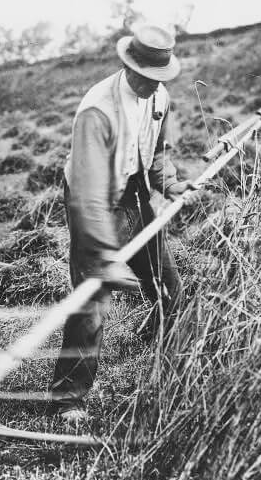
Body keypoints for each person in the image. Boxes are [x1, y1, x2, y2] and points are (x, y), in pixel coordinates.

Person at [51, 24, 196, 425]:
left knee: (168, 286)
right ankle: (68, 398)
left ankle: (162, 357)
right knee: (92, 301)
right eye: (148, 77)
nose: (154, 84)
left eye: (160, 78)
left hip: (135, 190)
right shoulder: (98, 111)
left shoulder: (159, 97)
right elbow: (87, 194)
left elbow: (158, 152)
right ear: (130, 67)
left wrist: (172, 184)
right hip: (92, 198)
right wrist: (102, 253)